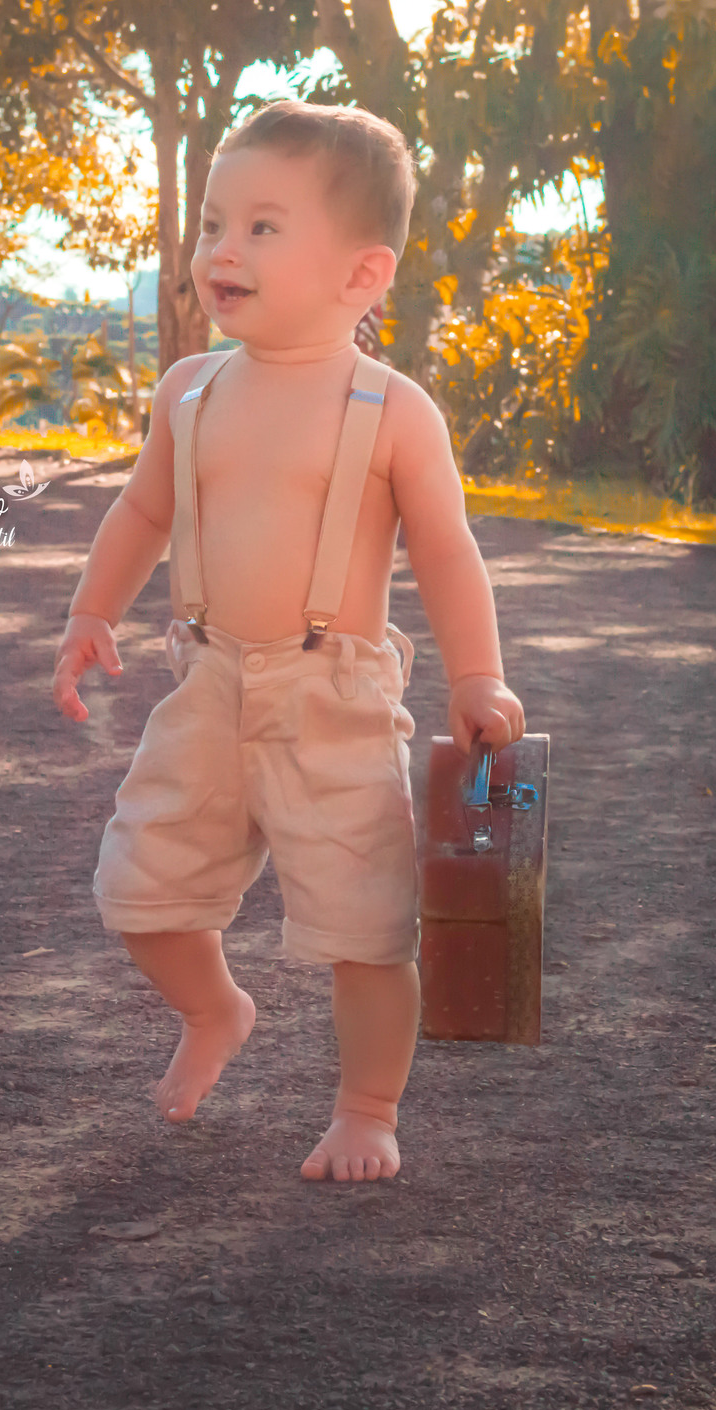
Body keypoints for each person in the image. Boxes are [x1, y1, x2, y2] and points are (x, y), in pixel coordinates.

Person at [53, 101, 524, 1183]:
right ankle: (216, 1008)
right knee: (137, 886)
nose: (223, 247)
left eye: (264, 227)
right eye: (216, 222)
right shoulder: (190, 390)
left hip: (334, 702)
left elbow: (449, 554)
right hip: (207, 683)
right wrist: (92, 613)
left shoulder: (395, 410)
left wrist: (479, 674)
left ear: (362, 276)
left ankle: (368, 1105)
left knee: (368, 927)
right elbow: (139, 515)